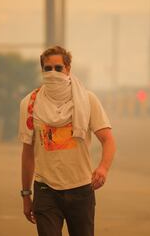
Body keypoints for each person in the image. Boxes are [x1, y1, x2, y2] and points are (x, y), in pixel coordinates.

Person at [19, 46, 116, 236]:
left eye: (58, 68)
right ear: (42, 71)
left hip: (80, 189)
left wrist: (103, 168)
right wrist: (25, 195)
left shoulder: (87, 100)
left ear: (68, 69)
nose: (53, 73)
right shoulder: (30, 104)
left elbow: (108, 140)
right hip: (46, 190)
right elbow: (27, 153)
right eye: (48, 68)